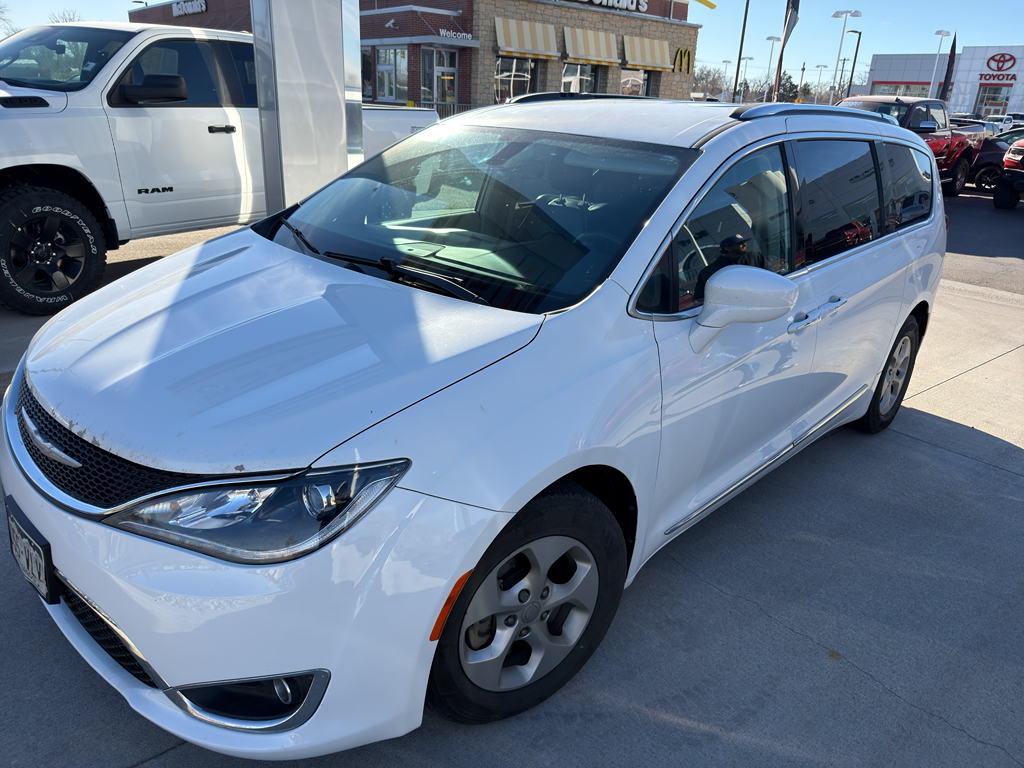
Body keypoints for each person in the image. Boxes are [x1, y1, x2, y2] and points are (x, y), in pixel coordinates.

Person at [693, 234, 770, 303]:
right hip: (732, 307)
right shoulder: (711, 271)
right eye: (740, 243)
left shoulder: (755, 256)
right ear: (727, 248)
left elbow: (770, 275)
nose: (745, 244)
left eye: (744, 242)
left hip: (762, 298)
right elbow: (700, 297)